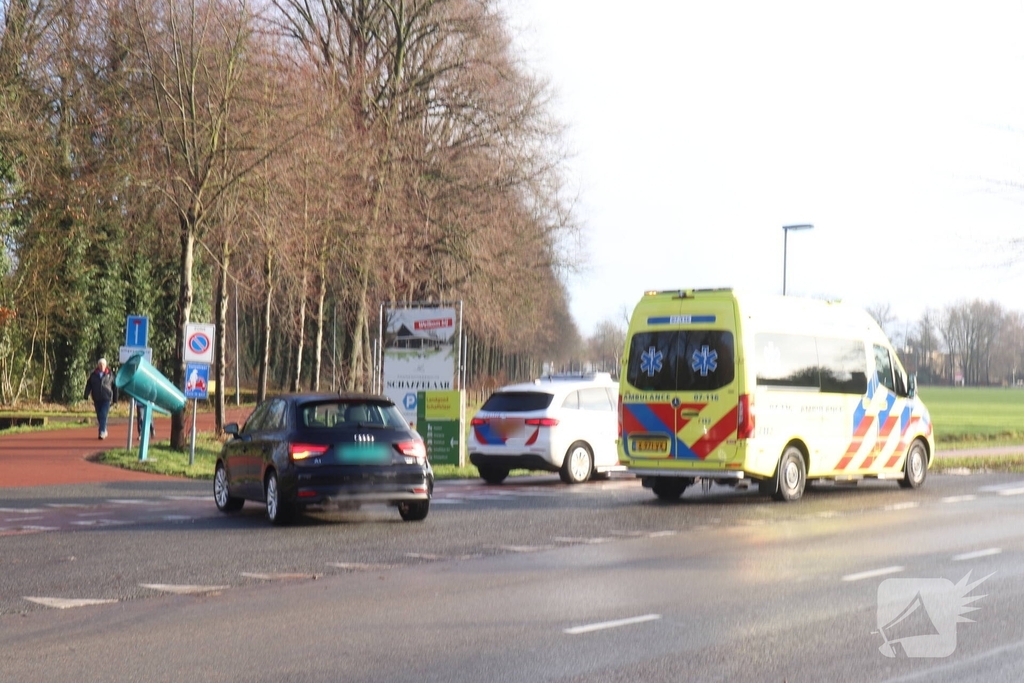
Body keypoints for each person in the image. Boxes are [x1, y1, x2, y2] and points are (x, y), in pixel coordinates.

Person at [84, 358, 116, 439]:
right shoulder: (93, 375)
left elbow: (115, 387)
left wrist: (115, 399)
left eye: (103, 365)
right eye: (100, 364)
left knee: (103, 414)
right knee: (99, 415)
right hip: (97, 398)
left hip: (106, 398)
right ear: (98, 365)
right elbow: (89, 385)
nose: (102, 366)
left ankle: (101, 432)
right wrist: (86, 394)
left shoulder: (110, 375)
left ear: (106, 366)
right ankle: (104, 428)